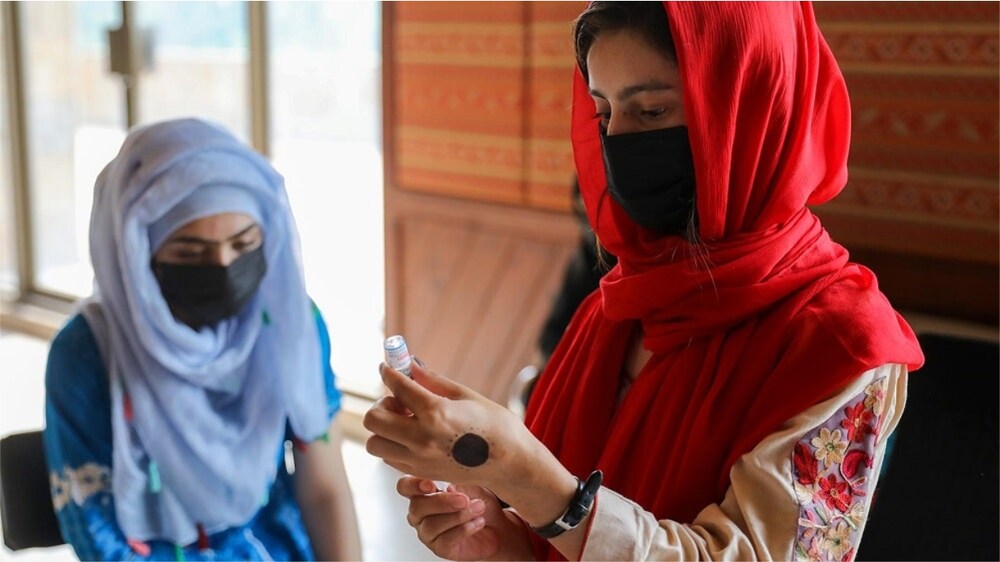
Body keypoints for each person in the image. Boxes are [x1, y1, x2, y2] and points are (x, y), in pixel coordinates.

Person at [363, 2, 924, 561]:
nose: (621, 144)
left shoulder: (842, 345)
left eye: (652, 112)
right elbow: (553, 545)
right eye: (604, 115)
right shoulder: (619, 306)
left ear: (751, 111)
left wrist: (529, 477)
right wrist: (502, 540)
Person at [43, 118, 362, 561]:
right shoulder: (88, 353)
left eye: (244, 243)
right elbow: (97, 535)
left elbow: (324, 491)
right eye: (189, 253)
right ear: (136, 256)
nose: (225, 268)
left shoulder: (290, 326)